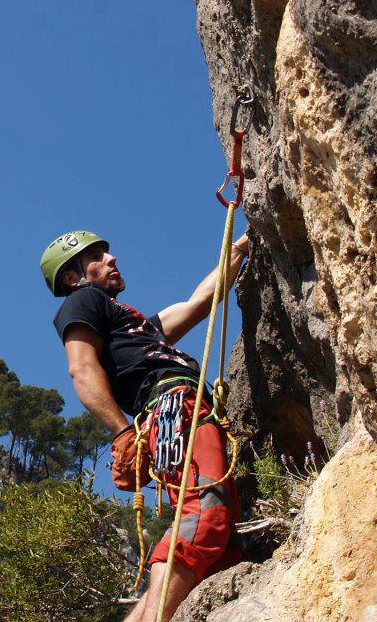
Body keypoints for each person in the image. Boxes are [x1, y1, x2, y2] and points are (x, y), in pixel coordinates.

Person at [39, 230, 250, 622]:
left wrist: (240, 246)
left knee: (220, 544)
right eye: (97, 257)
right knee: (204, 518)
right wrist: (122, 431)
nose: (112, 258)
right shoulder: (84, 301)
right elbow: (81, 368)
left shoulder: (138, 329)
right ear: (72, 278)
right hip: (173, 410)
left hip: (183, 412)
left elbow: (198, 302)